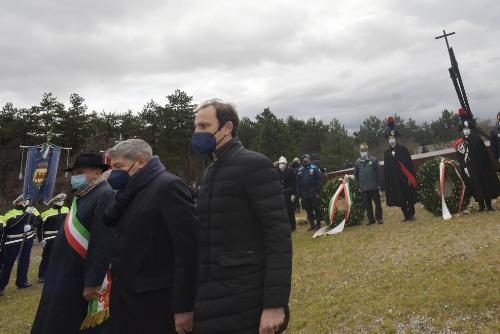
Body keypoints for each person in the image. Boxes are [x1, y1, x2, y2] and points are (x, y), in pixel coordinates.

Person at [192, 99, 292, 334]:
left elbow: (278, 237)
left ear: (227, 127)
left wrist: (274, 304)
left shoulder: (255, 165)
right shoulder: (209, 173)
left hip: (246, 297)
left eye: (204, 127)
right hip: (212, 297)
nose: (197, 133)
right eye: (196, 127)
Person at [101, 139, 198, 334]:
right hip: (126, 296)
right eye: (112, 167)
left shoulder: (167, 186)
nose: (113, 173)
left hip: (156, 302)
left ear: (141, 162)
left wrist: (184, 306)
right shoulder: (128, 192)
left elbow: (188, 250)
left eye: (119, 166)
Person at [31, 153, 115, 334]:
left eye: (80, 172)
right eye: (74, 172)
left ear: (97, 172)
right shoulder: (83, 195)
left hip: (79, 277)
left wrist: (93, 282)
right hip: (64, 273)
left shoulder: (105, 194)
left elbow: (103, 241)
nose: (75, 177)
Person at [456, 110, 500, 211]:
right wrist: (464, 167)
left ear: (470, 129)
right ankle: (481, 205)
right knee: (476, 186)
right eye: (464, 129)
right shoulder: (460, 142)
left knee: (485, 184)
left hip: (481, 167)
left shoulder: (478, 140)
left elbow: (485, 155)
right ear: (462, 130)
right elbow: (460, 157)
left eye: (467, 128)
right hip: (471, 168)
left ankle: (489, 205)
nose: (466, 130)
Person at [0, 195, 40, 296]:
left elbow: (38, 220)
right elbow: (11, 224)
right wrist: (25, 215)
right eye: (21, 200)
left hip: (27, 239)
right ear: (16, 202)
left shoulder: (32, 209)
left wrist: (31, 225)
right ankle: (1, 286)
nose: (23, 202)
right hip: (13, 242)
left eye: (25, 200)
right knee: (8, 264)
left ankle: (22, 281)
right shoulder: (10, 213)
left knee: (24, 261)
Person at [383, 116, 417, 222]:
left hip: (405, 178)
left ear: (396, 138)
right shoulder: (386, 153)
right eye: (390, 139)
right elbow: (387, 169)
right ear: (388, 140)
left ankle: (411, 213)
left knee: (408, 196)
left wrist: (411, 176)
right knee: (400, 197)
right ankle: (405, 214)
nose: (391, 140)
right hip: (395, 179)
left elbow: (409, 164)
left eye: (393, 138)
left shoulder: (403, 149)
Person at [37, 193, 69, 283]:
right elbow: (40, 228)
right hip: (49, 239)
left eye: (62, 201)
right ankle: (42, 275)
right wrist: (41, 239)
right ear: (54, 202)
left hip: (63, 237)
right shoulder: (45, 213)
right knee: (47, 257)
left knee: (62, 256)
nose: (61, 202)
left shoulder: (67, 210)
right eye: (59, 201)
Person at [354, 143, 384, 225]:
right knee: (367, 206)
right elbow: (356, 176)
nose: (363, 152)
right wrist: (358, 186)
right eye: (362, 151)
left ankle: (379, 218)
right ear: (360, 152)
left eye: (364, 151)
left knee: (378, 204)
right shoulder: (357, 163)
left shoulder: (373, 160)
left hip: (374, 186)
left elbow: (379, 173)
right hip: (364, 188)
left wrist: (380, 184)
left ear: (367, 151)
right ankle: (371, 219)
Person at [297, 154, 323, 230]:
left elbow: (319, 181)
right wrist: (299, 193)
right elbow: (297, 182)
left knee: (316, 209)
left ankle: (318, 224)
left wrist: (318, 192)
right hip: (305, 194)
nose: (305, 161)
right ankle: (312, 224)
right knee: (308, 210)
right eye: (304, 160)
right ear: (302, 161)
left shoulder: (315, 168)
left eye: (307, 159)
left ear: (309, 160)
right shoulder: (300, 170)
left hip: (314, 193)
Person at [277, 156, 297, 231]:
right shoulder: (277, 172)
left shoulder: (290, 171)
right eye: (280, 163)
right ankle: (286, 226)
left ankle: (293, 226)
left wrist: (293, 194)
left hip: (289, 193)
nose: (280, 165)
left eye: (282, 163)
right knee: (283, 211)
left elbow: (294, 183)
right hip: (281, 193)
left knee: (290, 211)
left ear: (285, 164)